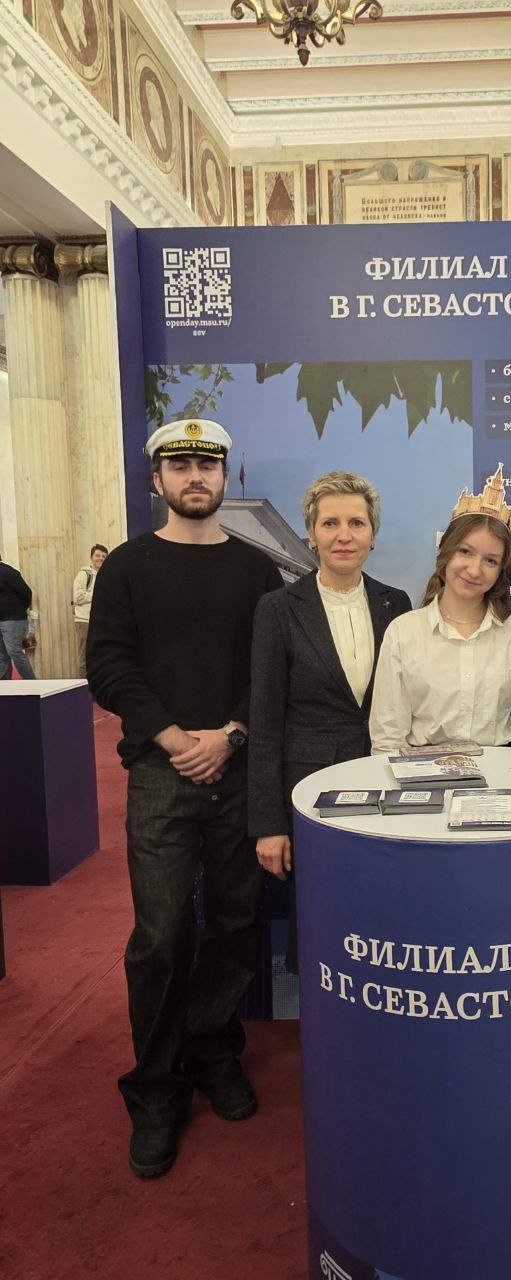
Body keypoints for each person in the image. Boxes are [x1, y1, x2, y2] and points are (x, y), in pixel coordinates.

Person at [86, 418, 283, 1179]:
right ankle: (155, 1086)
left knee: (234, 924)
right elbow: (110, 666)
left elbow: (268, 673)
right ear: (158, 479)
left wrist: (228, 736)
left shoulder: (257, 570)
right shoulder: (127, 567)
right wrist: (176, 740)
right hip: (161, 775)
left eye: (207, 463)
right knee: (161, 936)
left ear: (225, 476)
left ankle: (212, 1052)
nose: (195, 475)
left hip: (237, 771)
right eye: (180, 465)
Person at [248, 471, 412, 970]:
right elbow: (264, 720)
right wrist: (269, 824)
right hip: (312, 791)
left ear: (373, 534)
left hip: (387, 787)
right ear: (311, 534)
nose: (344, 535)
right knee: (322, 920)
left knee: (387, 914)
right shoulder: (277, 608)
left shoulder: (396, 604)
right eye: (330, 523)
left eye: (356, 523)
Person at [369, 464, 511, 754]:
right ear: (445, 552)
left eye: (490, 560)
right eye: (465, 552)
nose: (474, 569)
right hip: (422, 773)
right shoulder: (404, 631)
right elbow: (387, 736)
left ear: (501, 570)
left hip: (499, 771)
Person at [72, 543, 108, 678]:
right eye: (98, 555)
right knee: (85, 657)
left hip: (100, 622)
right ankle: (84, 687)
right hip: (85, 621)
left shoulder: (105, 575)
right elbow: (77, 597)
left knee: (98, 656)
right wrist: (98, 596)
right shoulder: (84, 574)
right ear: (91, 557)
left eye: (104, 556)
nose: (101, 558)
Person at [0, 552, 35, 680]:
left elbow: (26, 592)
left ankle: (32, 683)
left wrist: (19, 609)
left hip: (12, 619)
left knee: (14, 652)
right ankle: (4, 686)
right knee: (1, 656)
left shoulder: (8, 572)